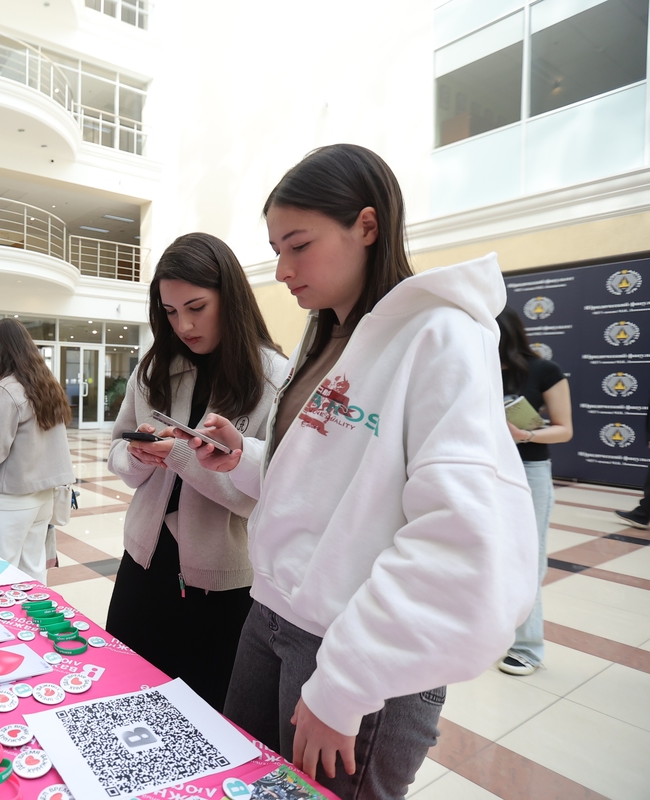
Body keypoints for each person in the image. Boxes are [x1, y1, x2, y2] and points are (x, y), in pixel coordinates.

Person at [186, 144, 537, 799]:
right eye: (276, 250)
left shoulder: (440, 336)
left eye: (299, 245)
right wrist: (246, 458)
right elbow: (331, 486)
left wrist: (346, 684)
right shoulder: (329, 339)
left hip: (349, 641)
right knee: (246, 785)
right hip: (272, 614)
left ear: (367, 226)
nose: (283, 270)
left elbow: (461, 538)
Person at [106, 232, 288, 710]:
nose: (183, 325)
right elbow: (119, 448)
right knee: (125, 699)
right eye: (169, 312)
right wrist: (138, 456)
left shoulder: (273, 377)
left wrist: (181, 455)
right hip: (144, 563)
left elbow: (264, 493)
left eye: (196, 307)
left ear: (230, 298)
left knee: (206, 717)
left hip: (223, 583)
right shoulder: (155, 368)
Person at [0, 319, 74, 582]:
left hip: (7, 499)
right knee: (32, 572)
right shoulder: (46, 385)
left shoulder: (4, 389)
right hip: (42, 496)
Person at [496, 307, 573, 676]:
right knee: (486, 556)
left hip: (528, 471)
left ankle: (527, 648)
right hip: (483, 468)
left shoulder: (544, 370)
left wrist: (525, 434)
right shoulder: (475, 368)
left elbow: (564, 429)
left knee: (528, 557)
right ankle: (489, 635)